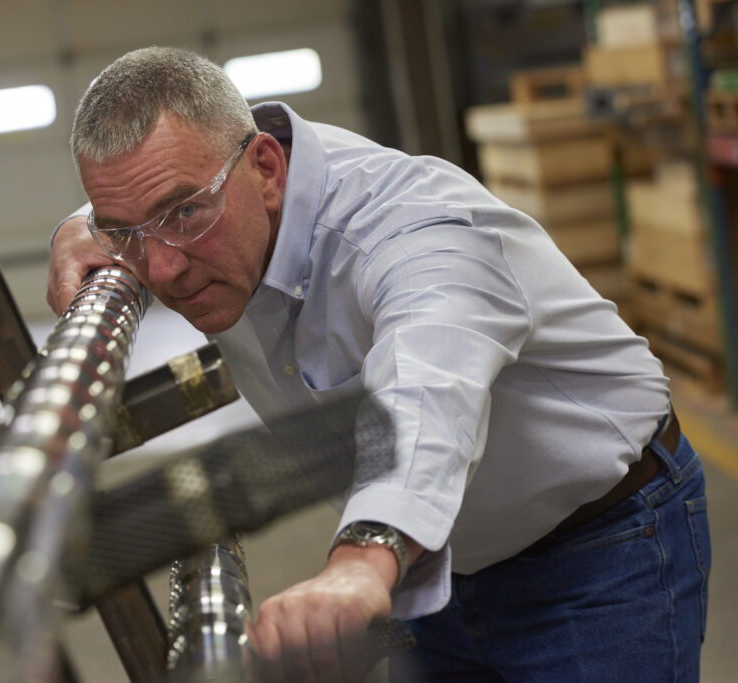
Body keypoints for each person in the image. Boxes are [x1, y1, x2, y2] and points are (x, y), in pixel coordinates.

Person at [47, 46, 711, 682]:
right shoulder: (214, 192)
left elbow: (427, 387)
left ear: (268, 171)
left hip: (598, 549)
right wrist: (78, 227)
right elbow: (147, 189)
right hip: (435, 563)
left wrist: (361, 560)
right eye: (127, 232)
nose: (161, 267)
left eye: (184, 214)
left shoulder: (413, 229)